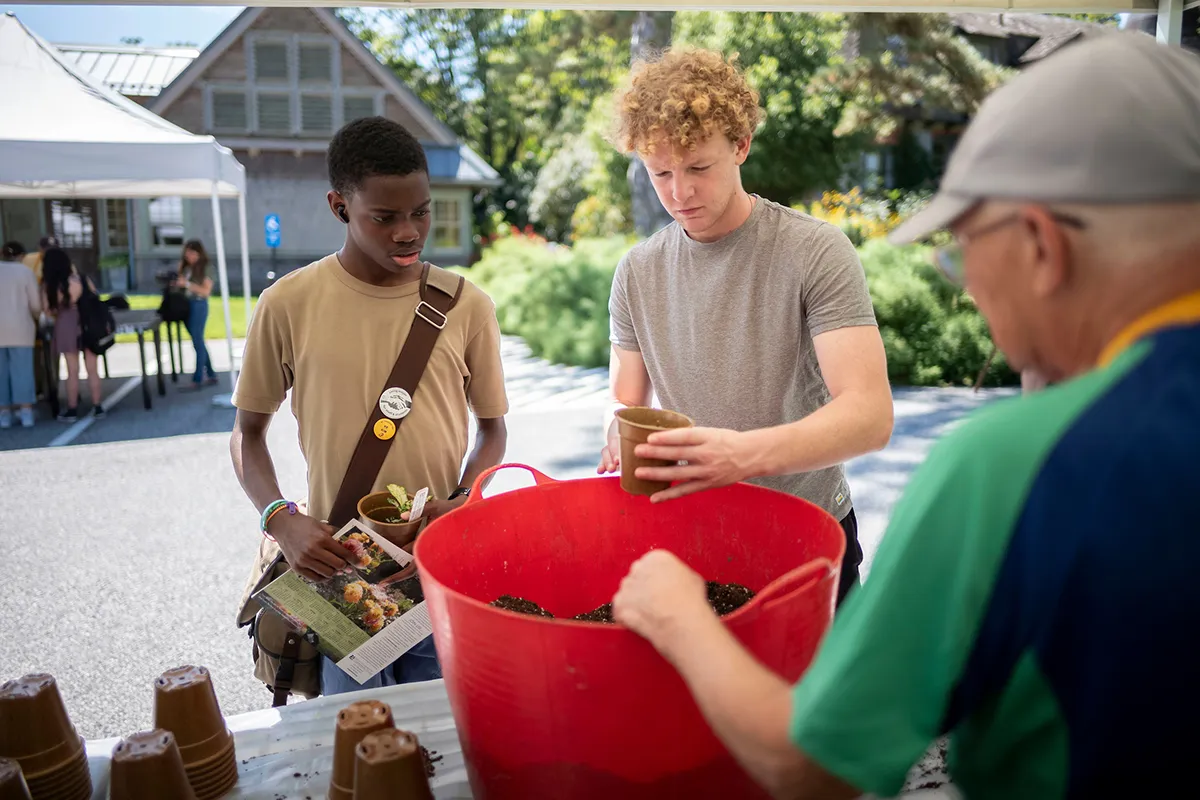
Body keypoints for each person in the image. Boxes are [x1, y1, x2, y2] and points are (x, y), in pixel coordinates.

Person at [610, 32, 1200, 799]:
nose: (976, 300)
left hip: (801, 550)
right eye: (663, 173)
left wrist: (677, 616)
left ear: (1042, 249)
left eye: (959, 254)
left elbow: (813, 765)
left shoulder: (1009, 465)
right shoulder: (639, 271)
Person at [597, 48, 893, 605]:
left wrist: (741, 455)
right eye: (660, 173)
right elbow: (623, 400)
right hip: (693, 542)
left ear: (740, 146)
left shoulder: (815, 251)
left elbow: (870, 416)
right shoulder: (636, 271)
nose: (679, 193)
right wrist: (615, 427)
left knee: (818, 697)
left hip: (808, 538)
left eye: (698, 168)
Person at [230, 116, 509, 695]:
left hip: (436, 564)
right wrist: (282, 521)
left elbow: (492, 431)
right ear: (339, 208)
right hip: (339, 569)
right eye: (384, 217)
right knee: (360, 739)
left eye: (421, 212)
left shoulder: (466, 306)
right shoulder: (287, 303)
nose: (409, 232)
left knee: (447, 732)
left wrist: (462, 503)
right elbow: (247, 434)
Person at [42, 248, 104, 422]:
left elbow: (48, 311)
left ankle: (72, 409)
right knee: (92, 369)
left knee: (72, 370)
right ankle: (97, 406)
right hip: (87, 324)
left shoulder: (53, 285)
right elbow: (95, 298)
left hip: (66, 325)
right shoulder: (82, 279)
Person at [0, 241, 41, 428]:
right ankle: (26, 412)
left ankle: (4, 414)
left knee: (1, 373)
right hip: (21, 326)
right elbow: (35, 304)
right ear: (21, 255)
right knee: (22, 370)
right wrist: (36, 317)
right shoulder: (25, 272)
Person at [175, 239, 219, 389]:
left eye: (192, 254)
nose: (189, 257)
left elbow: (205, 291)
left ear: (199, 253)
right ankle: (212, 374)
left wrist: (186, 284)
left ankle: (198, 378)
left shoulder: (206, 268)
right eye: (187, 254)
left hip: (199, 305)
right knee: (198, 341)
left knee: (197, 341)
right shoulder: (186, 268)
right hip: (186, 305)